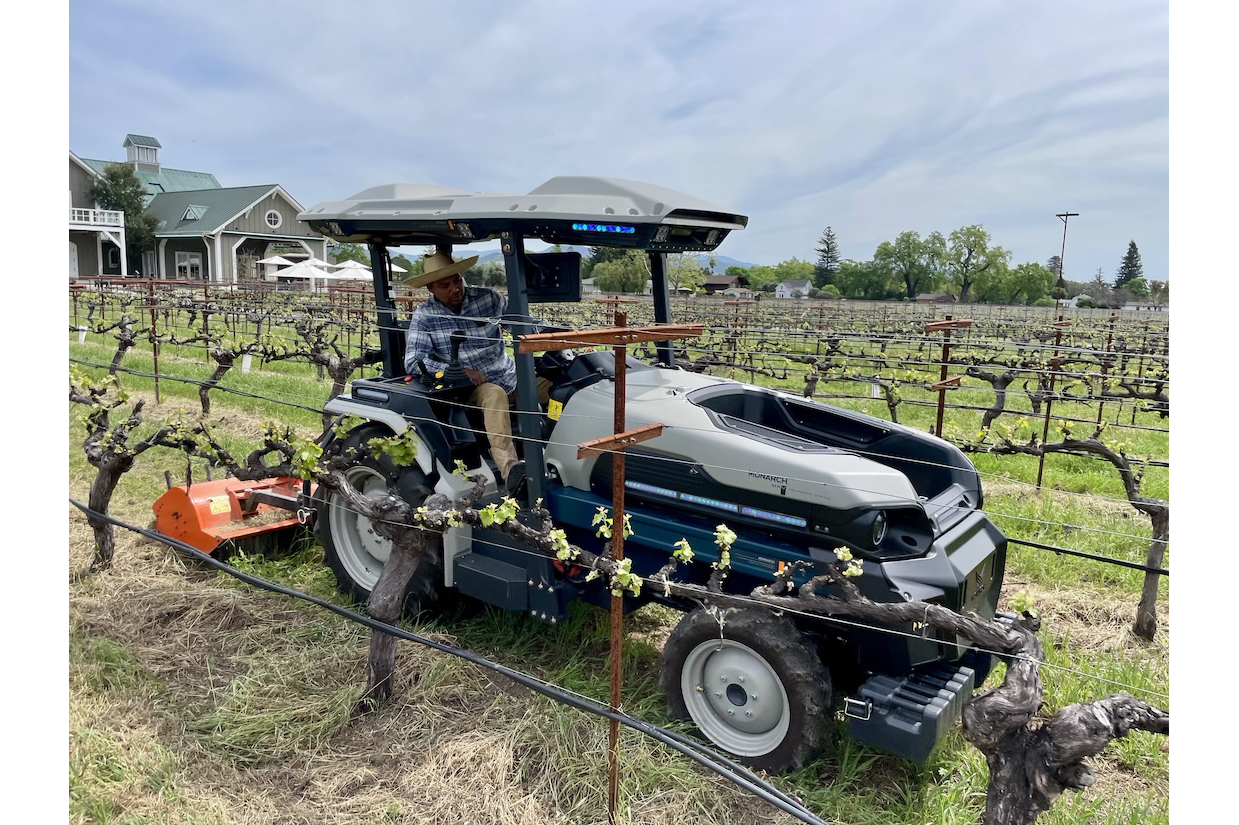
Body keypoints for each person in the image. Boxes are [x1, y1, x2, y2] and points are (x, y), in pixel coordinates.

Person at [403, 247, 547, 492]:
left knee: (560, 386)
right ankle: (511, 469)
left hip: (510, 375)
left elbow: (521, 321)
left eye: (456, 280)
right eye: (445, 285)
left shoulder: (489, 298)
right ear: (431, 289)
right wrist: (457, 370)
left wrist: (548, 333)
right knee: (494, 395)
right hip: (474, 387)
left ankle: (562, 457)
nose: (454, 289)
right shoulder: (425, 315)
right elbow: (413, 361)